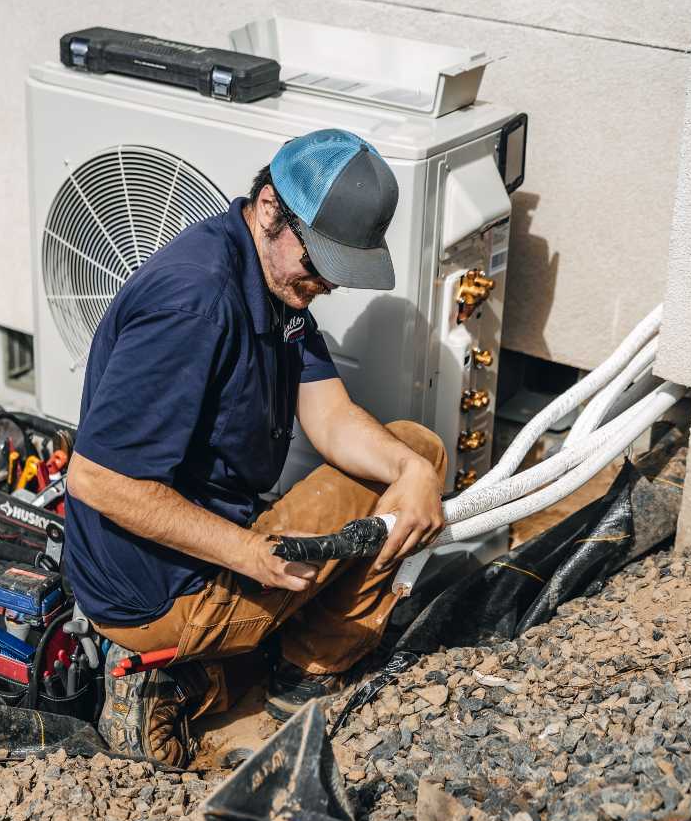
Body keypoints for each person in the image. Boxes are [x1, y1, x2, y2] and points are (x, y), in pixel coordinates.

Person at [63, 128, 447, 767]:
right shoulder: (197, 303)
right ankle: (290, 674)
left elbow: (330, 417)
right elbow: (98, 481)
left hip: (194, 555)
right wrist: (251, 555)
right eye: (320, 261)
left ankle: (220, 667)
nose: (328, 284)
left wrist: (411, 470)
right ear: (270, 209)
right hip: (154, 593)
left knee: (416, 456)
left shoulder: (269, 285)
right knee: (413, 465)